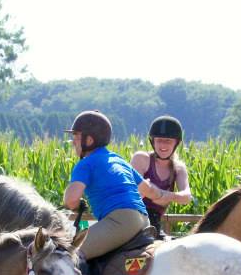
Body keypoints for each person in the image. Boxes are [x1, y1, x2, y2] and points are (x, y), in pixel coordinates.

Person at [62, 110, 168, 259]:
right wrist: (166, 195)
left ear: (89, 140)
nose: (73, 142)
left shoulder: (86, 164)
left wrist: (75, 203)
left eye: (76, 136)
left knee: (68, 255)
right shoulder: (119, 160)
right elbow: (149, 191)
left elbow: (71, 200)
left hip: (120, 222)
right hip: (144, 221)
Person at [130, 115, 192, 236]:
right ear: (153, 142)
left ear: (176, 143)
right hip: (132, 219)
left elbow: (187, 197)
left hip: (154, 225)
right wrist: (164, 196)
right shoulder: (141, 158)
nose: (163, 145)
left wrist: (164, 195)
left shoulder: (178, 168)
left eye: (168, 141)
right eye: (159, 140)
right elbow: (134, 192)